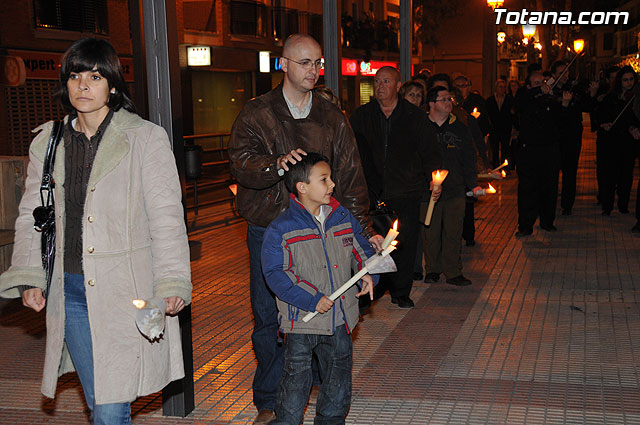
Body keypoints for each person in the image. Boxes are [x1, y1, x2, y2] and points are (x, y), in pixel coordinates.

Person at [0, 38, 191, 425]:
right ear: (65, 84)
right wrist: (30, 275)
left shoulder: (144, 139)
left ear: (113, 86)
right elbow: (31, 216)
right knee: (100, 396)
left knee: (109, 403)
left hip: (127, 289)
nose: (83, 86)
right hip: (68, 291)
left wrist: (172, 280)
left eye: (95, 76)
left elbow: (167, 216)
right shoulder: (47, 144)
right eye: (75, 76)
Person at [228, 34, 380, 425]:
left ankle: (308, 390)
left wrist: (364, 234)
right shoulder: (257, 113)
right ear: (284, 65)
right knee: (269, 316)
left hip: (323, 234)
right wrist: (276, 165)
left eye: (318, 63)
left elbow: (350, 178)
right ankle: (269, 400)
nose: (313, 70)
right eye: (305, 62)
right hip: (270, 229)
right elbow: (240, 163)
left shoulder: (332, 118)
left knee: (323, 313)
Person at [261, 153, 377, 425]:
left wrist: (367, 274)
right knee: (295, 382)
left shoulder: (341, 217)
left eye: (331, 178)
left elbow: (359, 248)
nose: (332, 184)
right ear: (302, 187)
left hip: (340, 318)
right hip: (302, 321)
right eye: (324, 179)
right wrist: (311, 299)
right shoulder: (282, 229)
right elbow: (276, 274)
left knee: (337, 382)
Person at [350, 66, 441, 308]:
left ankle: (401, 291)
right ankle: (375, 289)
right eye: (377, 81)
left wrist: (434, 178)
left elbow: (429, 152)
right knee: (373, 242)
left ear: (398, 86)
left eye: (386, 81)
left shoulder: (414, 117)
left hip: (406, 191)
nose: (380, 86)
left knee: (404, 243)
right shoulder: (361, 117)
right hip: (371, 193)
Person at [423, 86, 481, 286]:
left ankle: (453, 272)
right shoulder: (420, 127)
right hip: (428, 192)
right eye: (444, 99)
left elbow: (469, 158)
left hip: (455, 189)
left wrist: (472, 185)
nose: (449, 102)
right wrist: (425, 181)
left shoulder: (459, 127)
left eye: (450, 99)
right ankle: (432, 270)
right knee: (430, 233)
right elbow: (413, 159)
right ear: (431, 103)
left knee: (453, 232)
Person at [514, 71, 563, 236]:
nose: (542, 85)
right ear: (529, 87)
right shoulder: (525, 99)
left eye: (542, 82)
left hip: (549, 151)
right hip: (529, 152)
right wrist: (537, 91)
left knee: (549, 188)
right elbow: (519, 104)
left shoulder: (552, 99)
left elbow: (561, 121)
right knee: (527, 189)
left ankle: (547, 221)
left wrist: (562, 103)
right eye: (536, 83)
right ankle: (525, 225)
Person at [598, 65, 640, 220]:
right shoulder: (611, 98)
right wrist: (605, 123)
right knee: (610, 174)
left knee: (626, 174)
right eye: (625, 80)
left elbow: (635, 119)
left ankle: (623, 205)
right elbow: (602, 115)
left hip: (629, 142)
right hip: (613, 140)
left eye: (631, 80)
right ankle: (607, 206)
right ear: (619, 82)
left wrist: (634, 127)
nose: (629, 83)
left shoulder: (636, 98)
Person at [486, 79, 515, 169]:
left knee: (505, 149)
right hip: (494, 128)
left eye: (504, 87)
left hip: (505, 128)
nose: (502, 89)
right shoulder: (490, 100)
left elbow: (512, 114)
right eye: (500, 87)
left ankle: (505, 167)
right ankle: (495, 167)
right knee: (494, 149)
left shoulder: (509, 100)